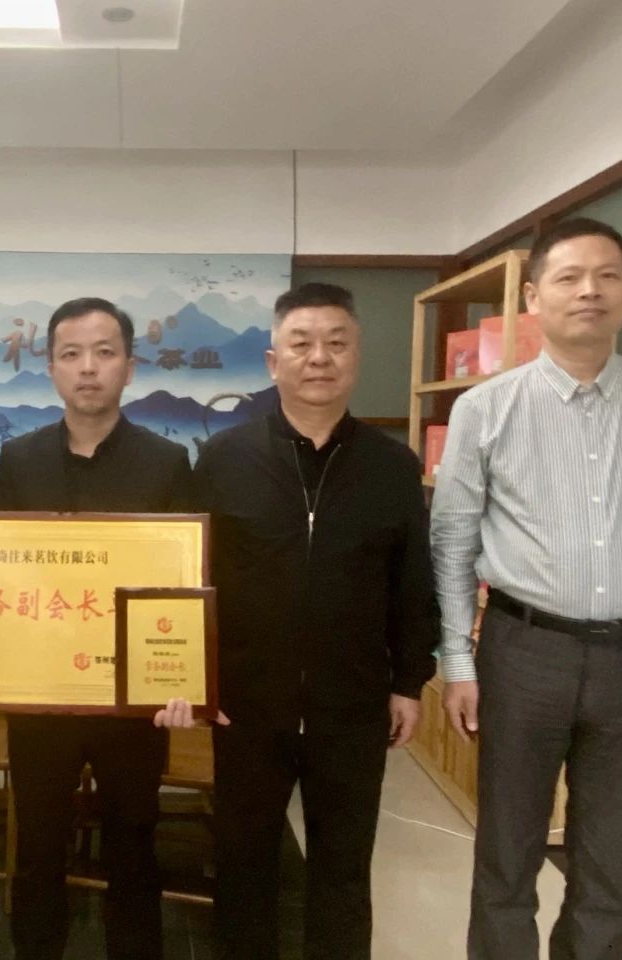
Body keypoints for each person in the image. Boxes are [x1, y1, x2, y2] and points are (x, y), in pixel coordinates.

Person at [431, 218, 622, 960]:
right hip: (522, 651)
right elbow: (452, 543)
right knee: (507, 852)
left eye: (607, 275)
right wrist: (458, 662)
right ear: (534, 297)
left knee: (612, 862)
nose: (589, 291)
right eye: (568, 277)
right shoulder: (485, 408)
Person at [157, 282, 438, 960]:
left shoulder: (392, 467)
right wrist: (195, 680)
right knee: (244, 864)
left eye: (336, 344)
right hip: (247, 704)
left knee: (343, 869)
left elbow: (412, 581)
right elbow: (193, 579)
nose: (319, 358)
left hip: (352, 706)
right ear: (272, 360)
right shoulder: (224, 460)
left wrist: (408, 681)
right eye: (302, 344)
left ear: (357, 355)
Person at [0, 297, 192, 960]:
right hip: (42, 695)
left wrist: (182, 677)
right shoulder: (20, 461)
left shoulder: (167, 464)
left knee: (134, 845)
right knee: (38, 848)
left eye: (104, 353)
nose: (88, 368)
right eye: (71, 354)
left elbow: (184, 585)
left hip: (132, 701)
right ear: (50, 367)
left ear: (129, 368)